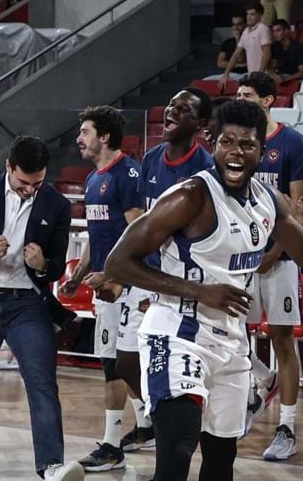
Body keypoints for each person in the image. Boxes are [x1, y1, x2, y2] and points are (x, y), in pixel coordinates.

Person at [101, 100, 303, 481]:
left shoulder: (267, 200)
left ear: (262, 150)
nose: (236, 152)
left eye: (247, 144)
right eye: (228, 142)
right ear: (213, 144)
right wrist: (198, 291)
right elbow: (119, 262)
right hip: (177, 333)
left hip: (231, 343)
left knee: (221, 459)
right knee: (178, 448)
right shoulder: (190, 196)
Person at [0, 136, 84, 481]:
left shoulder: (56, 204)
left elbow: (55, 266)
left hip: (28, 303)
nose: (30, 189)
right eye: (24, 182)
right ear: (9, 167)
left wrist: (41, 265)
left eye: (37, 183)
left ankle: (51, 466)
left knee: (42, 384)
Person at [114, 88, 213, 453]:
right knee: (125, 363)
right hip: (149, 273)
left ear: (200, 125)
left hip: (186, 280)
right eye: (170, 103)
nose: (170, 110)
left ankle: (184, 429)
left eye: (182, 109)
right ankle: (159, 423)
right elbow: (142, 224)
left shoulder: (205, 169)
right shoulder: (153, 158)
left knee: (191, 369)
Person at [236, 73, 303, 462]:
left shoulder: (293, 143)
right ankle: (263, 380)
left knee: (283, 339)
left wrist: (272, 252)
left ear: (268, 100)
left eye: (248, 95)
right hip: (241, 257)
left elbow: (298, 211)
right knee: (233, 331)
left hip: (279, 259)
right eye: (238, 94)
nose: (241, 99)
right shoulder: (236, 142)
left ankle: (286, 425)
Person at [62, 107, 144, 472]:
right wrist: (78, 276)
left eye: (85, 131)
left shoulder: (128, 174)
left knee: (122, 362)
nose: (79, 138)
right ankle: (141, 427)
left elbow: (140, 236)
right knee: (112, 362)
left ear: (104, 136)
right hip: (107, 287)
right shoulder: (95, 179)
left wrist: (119, 279)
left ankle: (116, 443)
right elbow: (98, 239)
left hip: (130, 288)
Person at [220, 3, 272, 89]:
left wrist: (259, 74)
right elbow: (236, 54)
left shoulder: (263, 29)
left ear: (260, 16)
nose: (248, 17)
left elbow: (267, 52)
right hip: (251, 74)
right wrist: (226, 74)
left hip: (263, 75)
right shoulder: (246, 31)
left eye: (252, 14)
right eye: (247, 14)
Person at [268, 19, 303, 93]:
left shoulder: (298, 47)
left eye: (278, 30)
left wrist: (285, 79)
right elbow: (272, 66)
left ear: (286, 31)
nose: (275, 34)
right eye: (273, 31)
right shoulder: (275, 46)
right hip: (286, 73)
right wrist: (275, 75)